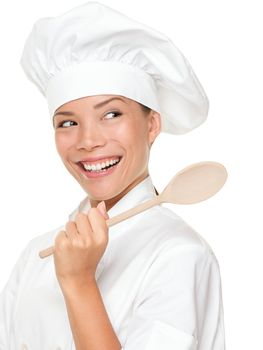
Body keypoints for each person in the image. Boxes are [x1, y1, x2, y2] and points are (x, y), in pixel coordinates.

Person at [0, 2, 225, 349]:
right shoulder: (35, 257)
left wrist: (78, 281)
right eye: (68, 122)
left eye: (111, 114)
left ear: (152, 125)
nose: (88, 141)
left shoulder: (179, 254)